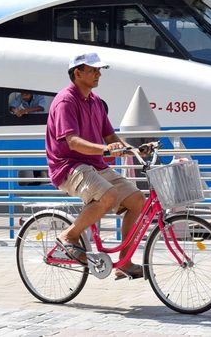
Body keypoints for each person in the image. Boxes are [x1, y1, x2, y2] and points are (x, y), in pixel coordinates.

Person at [45, 52, 146, 280]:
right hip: (68, 166)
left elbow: (110, 137)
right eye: (93, 70)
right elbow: (72, 142)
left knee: (137, 200)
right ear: (77, 73)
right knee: (108, 195)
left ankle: (124, 262)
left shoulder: (96, 102)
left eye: (99, 70)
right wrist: (104, 149)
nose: (99, 73)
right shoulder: (65, 101)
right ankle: (68, 237)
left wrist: (135, 149)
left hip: (94, 164)